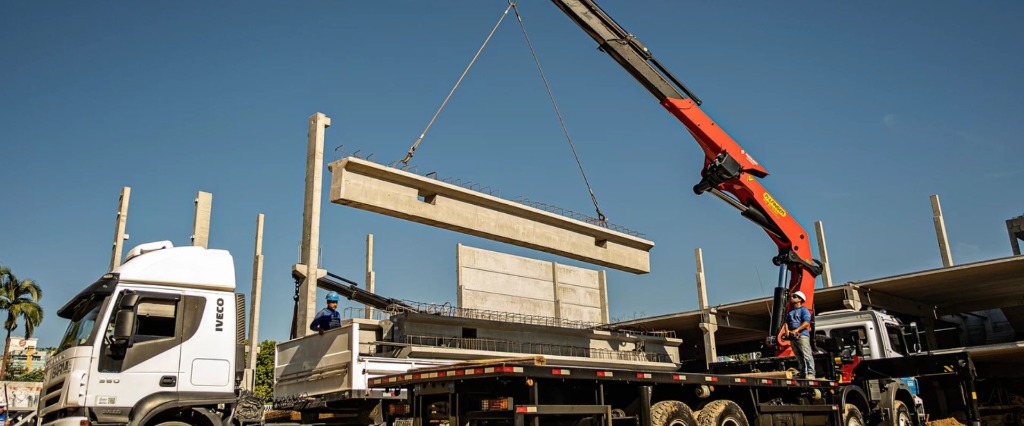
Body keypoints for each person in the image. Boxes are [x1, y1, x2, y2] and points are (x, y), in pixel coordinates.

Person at [783, 290, 815, 379]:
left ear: (800, 299)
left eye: (794, 296)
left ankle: (811, 373)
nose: (792, 298)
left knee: (807, 354)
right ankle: (803, 373)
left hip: (802, 335)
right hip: (793, 336)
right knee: (798, 356)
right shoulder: (790, 311)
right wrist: (787, 332)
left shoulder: (803, 310)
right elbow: (786, 323)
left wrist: (797, 330)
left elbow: (806, 323)